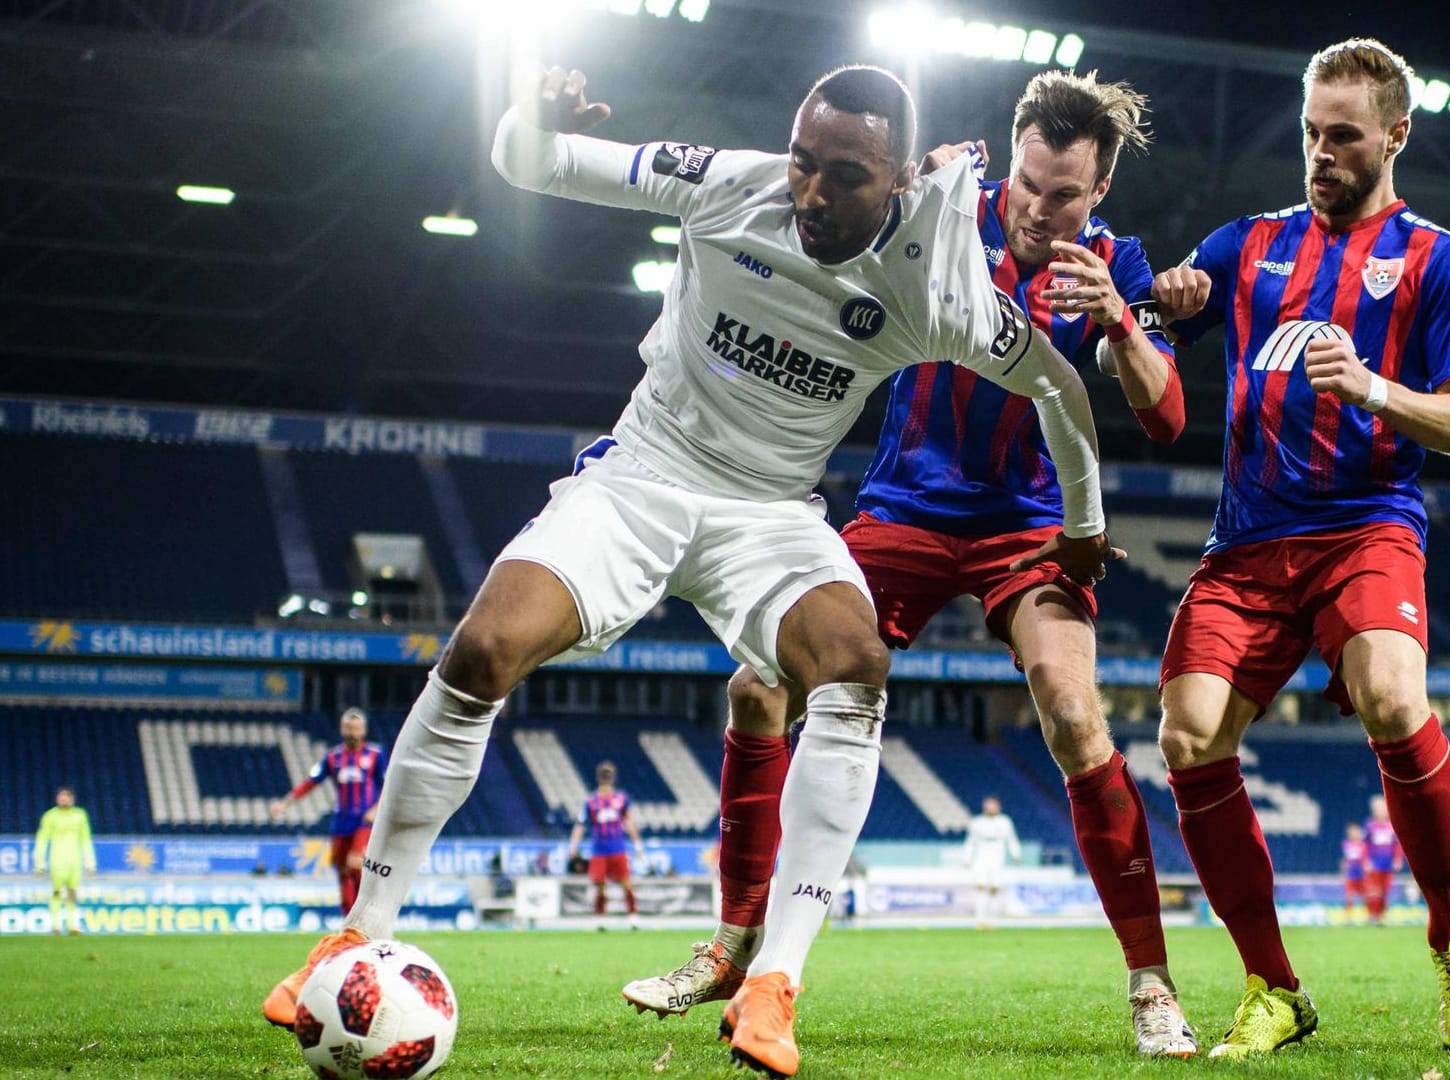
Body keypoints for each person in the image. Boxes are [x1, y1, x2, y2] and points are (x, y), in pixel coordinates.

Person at [261, 63, 1120, 1080]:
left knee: (854, 662)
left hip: (770, 515)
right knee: (484, 647)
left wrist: (1082, 523)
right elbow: (530, 164)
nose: (808, 192)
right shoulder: (729, 182)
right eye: (803, 162)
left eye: (843, 176)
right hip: (645, 477)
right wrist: (526, 124)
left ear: (895, 183)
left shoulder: (936, 289)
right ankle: (358, 933)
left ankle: (773, 984)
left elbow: (1062, 388)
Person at [622, 68, 1196, 1059]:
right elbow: (855, 203)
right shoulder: (945, 201)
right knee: (758, 691)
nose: (1039, 211)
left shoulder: (1114, 264)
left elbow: (1166, 415)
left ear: (1099, 192)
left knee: (1071, 711)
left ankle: (1151, 983)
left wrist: (1122, 319)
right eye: (1028, 184)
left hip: (1028, 524)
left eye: (1065, 196)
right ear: (1008, 158)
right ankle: (732, 945)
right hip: (905, 509)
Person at [1149, 36, 1450, 1056]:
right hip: (1248, 541)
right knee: (1187, 735)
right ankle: (1274, 988)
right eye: (1310, 133)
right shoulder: (1249, 242)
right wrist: (1163, 303)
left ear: (1395, 135)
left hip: (1367, 527)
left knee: (1395, 696)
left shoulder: (1439, 257)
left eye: (1342, 136)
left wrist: (1374, 389)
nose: (1320, 153)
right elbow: (1169, 319)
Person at [270, 707, 387, 916]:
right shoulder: (333, 757)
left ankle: (368, 914)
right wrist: (284, 803)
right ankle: (349, 923)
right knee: (342, 871)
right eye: (348, 728)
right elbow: (310, 782)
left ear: (364, 730)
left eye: (356, 728)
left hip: (365, 820)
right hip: (341, 821)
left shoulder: (376, 755)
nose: (352, 732)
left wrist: (377, 808)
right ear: (342, 729)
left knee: (355, 864)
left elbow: (388, 786)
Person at [567, 761, 646, 927]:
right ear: (599, 778)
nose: (606, 778)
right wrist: (573, 845)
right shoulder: (590, 802)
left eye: (608, 774)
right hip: (599, 850)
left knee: (626, 882)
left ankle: (633, 915)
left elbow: (629, 822)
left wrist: (638, 845)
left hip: (618, 848)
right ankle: (601, 917)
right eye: (604, 774)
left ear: (613, 778)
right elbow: (580, 824)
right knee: (600, 885)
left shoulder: (621, 799)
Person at [35, 786, 95, 935]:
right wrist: (39, 861)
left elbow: (86, 839)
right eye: (61, 797)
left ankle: (72, 925)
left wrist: (90, 861)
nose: (63, 799)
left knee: (72, 892)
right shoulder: (50, 816)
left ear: (72, 798)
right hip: (57, 859)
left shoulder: (80, 815)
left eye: (66, 796)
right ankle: (55, 925)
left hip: (75, 860)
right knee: (57, 891)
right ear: (57, 799)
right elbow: (42, 839)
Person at [962, 796, 1022, 929]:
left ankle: (991, 919)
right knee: (980, 886)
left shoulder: (1005, 822)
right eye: (988, 806)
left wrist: (1016, 854)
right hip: (981, 857)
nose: (991, 808)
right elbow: (971, 842)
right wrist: (966, 858)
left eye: (993, 806)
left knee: (995, 887)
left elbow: (1011, 839)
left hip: (997, 857)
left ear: (998, 807)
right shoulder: (977, 822)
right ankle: (980, 919)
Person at [1362, 794, 1405, 923]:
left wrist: (1398, 859)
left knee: (1386, 890)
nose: (1380, 810)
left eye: (1382, 807)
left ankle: (1382, 915)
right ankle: (1372, 914)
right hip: (1374, 862)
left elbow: (1397, 844)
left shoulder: (1392, 824)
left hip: (1388, 862)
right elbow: (1365, 845)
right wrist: (1366, 861)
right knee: (1374, 890)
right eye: (1377, 808)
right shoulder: (1370, 825)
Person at [1340, 821, 1368, 916]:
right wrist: (1343, 874)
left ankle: (1370, 915)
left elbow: (1366, 860)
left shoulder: (1364, 845)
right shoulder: (1346, 844)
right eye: (1351, 832)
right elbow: (1345, 860)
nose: (1353, 834)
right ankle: (1348, 916)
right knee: (1349, 896)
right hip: (1351, 874)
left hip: (1362, 874)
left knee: (1366, 896)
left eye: (1355, 831)